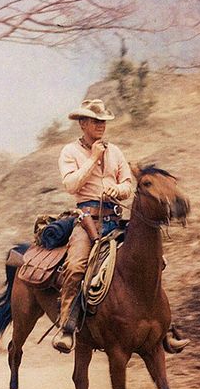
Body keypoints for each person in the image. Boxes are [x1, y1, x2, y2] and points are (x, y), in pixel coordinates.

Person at [53, 98, 189, 354]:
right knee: (75, 265)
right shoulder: (70, 152)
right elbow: (71, 185)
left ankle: (164, 326)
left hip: (115, 220)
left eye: (103, 121)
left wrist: (120, 189)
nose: (101, 126)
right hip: (87, 221)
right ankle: (68, 326)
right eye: (96, 121)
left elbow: (128, 184)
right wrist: (93, 159)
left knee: (154, 262)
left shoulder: (115, 152)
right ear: (82, 124)